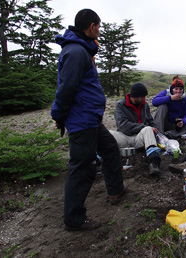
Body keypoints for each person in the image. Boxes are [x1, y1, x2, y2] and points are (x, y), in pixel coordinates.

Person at [51, 9, 126, 231]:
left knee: (110, 148)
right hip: (81, 120)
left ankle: (116, 190)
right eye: (99, 27)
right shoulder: (75, 52)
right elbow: (66, 88)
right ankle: (74, 219)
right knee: (82, 167)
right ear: (92, 27)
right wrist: (59, 115)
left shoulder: (81, 49)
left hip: (89, 118)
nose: (100, 31)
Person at [109, 83, 161, 175]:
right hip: (124, 137)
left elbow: (150, 121)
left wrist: (155, 130)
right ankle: (97, 160)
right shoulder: (120, 105)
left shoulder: (144, 105)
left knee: (148, 129)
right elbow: (123, 126)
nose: (144, 99)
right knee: (107, 134)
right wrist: (143, 127)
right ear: (135, 96)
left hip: (139, 138)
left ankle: (153, 163)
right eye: (142, 97)